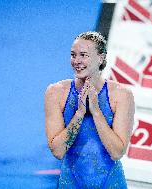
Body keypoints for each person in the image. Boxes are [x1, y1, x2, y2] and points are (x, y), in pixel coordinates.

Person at [44, 31, 135, 188]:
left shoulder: (121, 96)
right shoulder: (56, 93)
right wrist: (79, 113)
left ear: (101, 58)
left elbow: (117, 152)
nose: (77, 61)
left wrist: (96, 112)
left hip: (109, 183)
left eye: (84, 55)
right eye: (73, 55)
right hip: (71, 183)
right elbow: (58, 151)